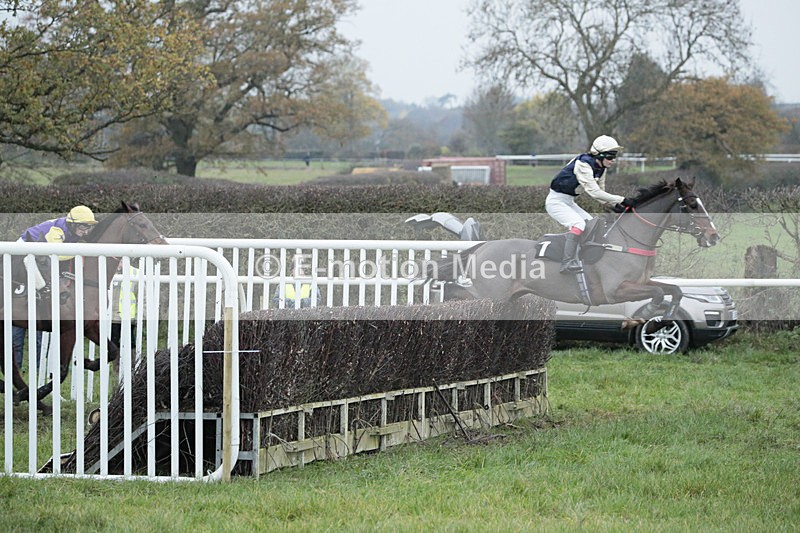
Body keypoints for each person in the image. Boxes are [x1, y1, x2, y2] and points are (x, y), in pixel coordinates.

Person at [12, 205, 98, 367]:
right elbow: (56, 254)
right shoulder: (57, 230)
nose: (86, 230)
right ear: (72, 224)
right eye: (83, 226)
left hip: (38, 256)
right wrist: (81, 250)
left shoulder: (71, 231)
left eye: (89, 226)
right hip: (21, 254)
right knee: (43, 284)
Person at [545, 135, 633, 274]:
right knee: (579, 225)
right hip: (555, 202)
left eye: (614, 157)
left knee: (592, 224)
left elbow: (601, 194)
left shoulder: (601, 167)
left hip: (568, 201)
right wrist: (621, 199)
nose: (613, 161)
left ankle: (584, 259)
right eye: (610, 157)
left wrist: (616, 206)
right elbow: (595, 193)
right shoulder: (583, 165)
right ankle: (567, 262)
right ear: (599, 155)